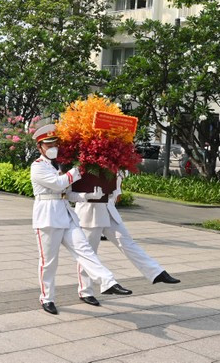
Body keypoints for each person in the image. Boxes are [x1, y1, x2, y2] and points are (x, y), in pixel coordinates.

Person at [30, 124, 132, 315]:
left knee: (84, 250)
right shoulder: (37, 167)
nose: (53, 147)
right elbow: (58, 183)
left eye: (55, 143)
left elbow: (68, 193)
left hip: (65, 213)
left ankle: (108, 282)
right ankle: (47, 298)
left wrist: (88, 195)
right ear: (40, 147)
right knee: (49, 261)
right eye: (48, 144)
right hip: (47, 217)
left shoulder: (60, 166)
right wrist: (80, 167)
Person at [73, 172, 179, 306]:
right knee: (89, 253)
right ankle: (85, 291)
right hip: (90, 211)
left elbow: (117, 183)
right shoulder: (86, 160)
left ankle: (156, 273)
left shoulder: (115, 161)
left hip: (108, 209)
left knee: (127, 242)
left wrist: (116, 191)